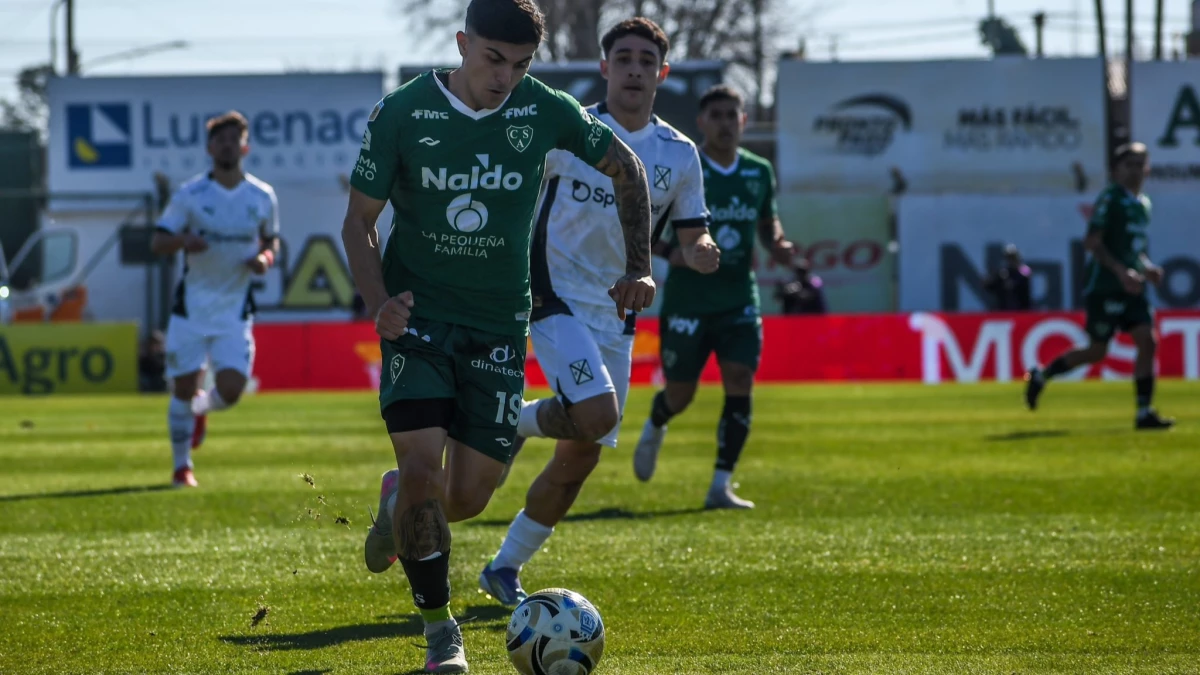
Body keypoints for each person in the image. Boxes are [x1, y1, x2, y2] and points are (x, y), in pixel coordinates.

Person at [341, 1, 654, 671]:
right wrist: (379, 302)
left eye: (520, 65)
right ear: (462, 44)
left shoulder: (544, 109)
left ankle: (395, 500)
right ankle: (438, 633)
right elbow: (358, 222)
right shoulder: (403, 112)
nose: (504, 78)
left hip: (498, 325)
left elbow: (626, 167)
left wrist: (640, 267)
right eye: (492, 60)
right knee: (427, 469)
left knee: (465, 496)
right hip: (418, 318)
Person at [479, 17, 720, 608]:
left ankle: (504, 567)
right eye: (624, 58)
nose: (635, 69)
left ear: (661, 74)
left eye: (646, 61)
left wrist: (701, 250)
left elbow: (691, 234)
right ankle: (517, 424)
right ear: (605, 68)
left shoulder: (680, 154)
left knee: (582, 453)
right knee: (594, 412)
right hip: (551, 294)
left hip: (618, 314)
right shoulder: (571, 132)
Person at [632, 84, 797, 508]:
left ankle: (720, 485)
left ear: (744, 121)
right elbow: (645, 233)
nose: (725, 123)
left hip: (739, 298)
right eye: (716, 115)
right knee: (681, 395)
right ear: (702, 122)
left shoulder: (759, 171)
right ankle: (657, 418)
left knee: (740, 381)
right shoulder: (686, 165)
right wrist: (678, 257)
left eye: (732, 115)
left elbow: (767, 222)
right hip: (688, 301)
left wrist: (777, 243)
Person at [150, 111, 280, 488]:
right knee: (183, 388)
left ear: (245, 146)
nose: (227, 145)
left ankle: (201, 410)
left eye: (233, 139)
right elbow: (158, 241)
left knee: (231, 391)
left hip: (234, 309)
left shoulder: (262, 196)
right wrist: (182, 240)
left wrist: (264, 259)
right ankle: (181, 467)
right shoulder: (190, 195)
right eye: (220, 139)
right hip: (191, 308)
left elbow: (271, 240)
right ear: (209, 148)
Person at [1024, 142, 1173, 430]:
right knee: (1097, 351)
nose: (1136, 170)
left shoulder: (1144, 204)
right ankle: (1042, 376)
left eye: (1141, 163)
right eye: (1130, 164)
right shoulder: (1110, 199)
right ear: (1117, 169)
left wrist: (1147, 268)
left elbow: (1134, 249)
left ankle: (1144, 413)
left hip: (1132, 287)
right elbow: (1092, 243)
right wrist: (1121, 272)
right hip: (1105, 286)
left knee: (1148, 340)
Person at [984, 244, 1032, 310]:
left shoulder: (1024, 270)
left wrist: (1012, 283)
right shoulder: (1003, 272)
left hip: (1022, 309)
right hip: (1004, 309)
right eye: (1009, 258)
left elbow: (1023, 281)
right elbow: (990, 286)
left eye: (1013, 257)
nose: (1011, 260)